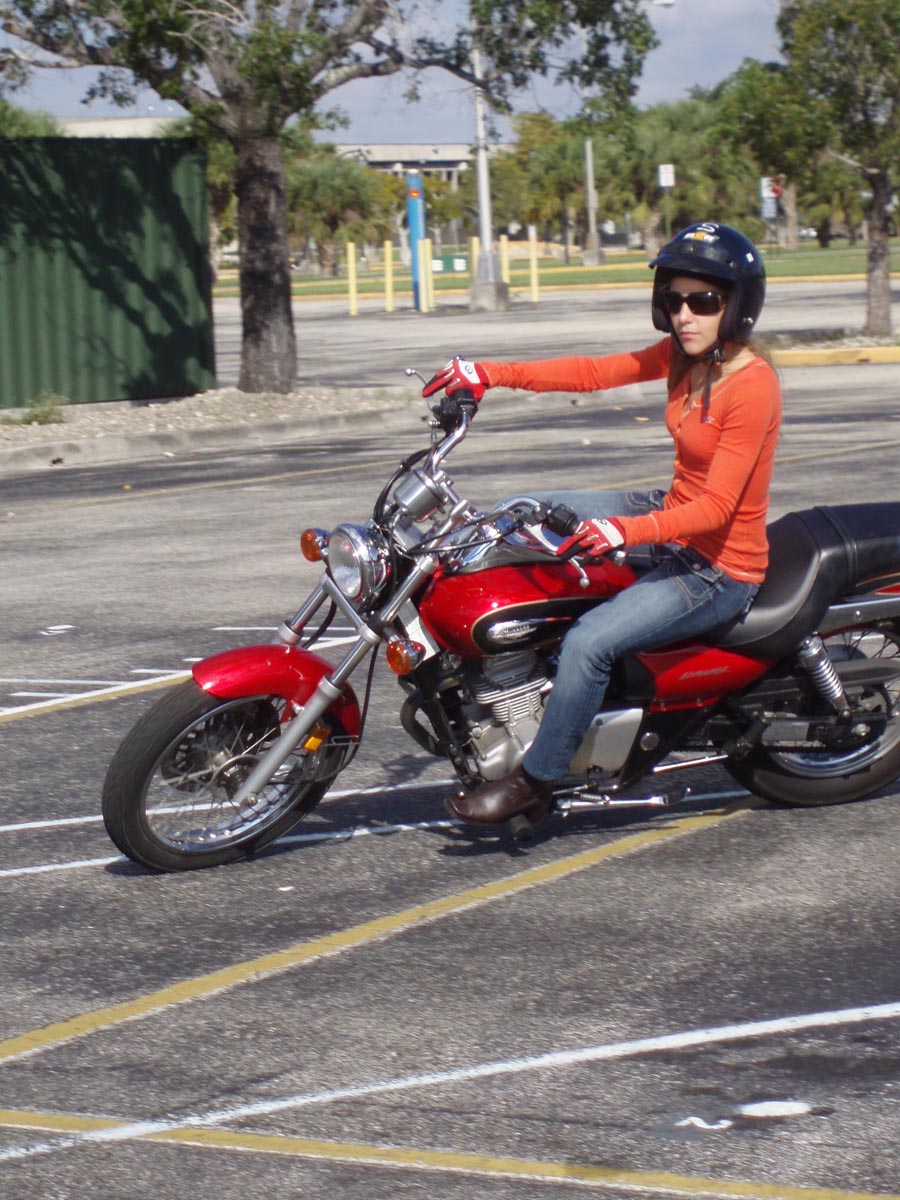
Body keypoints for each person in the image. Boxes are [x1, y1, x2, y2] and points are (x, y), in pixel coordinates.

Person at [422, 221, 782, 828]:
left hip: (718, 568)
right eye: (674, 300)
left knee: (589, 643)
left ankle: (536, 781)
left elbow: (718, 508)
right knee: (521, 512)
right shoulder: (683, 357)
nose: (685, 315)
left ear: (737, 306)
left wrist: (621, 532)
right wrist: (487, 372)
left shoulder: (752, 387)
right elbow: (591, 372)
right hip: (667, 513)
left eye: (703, 301)